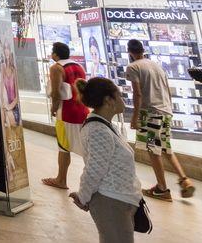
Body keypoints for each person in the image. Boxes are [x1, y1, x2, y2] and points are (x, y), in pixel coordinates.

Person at [69, 77, 142, 243]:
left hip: (119, 200)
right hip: (110, 202)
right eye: (119, 95)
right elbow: (94, 170)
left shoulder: (106, 126)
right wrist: (83, 196)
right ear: (108, 100)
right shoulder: (98, 130)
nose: (123, 100)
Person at [125, 39, 194, 200]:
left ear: (130, 52)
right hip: (165, 111)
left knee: (153, 149)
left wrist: (135, 117)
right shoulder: (156, 66)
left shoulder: (133, 67)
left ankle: (162, 189)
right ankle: (185, 180)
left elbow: (138, 94)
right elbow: (166, 90)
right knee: (165, 148)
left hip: (150, 113)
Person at [42, 42, 88, 190]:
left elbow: (56, 91)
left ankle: (61, 179)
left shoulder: (56, 68)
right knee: (86, 148)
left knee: (63, 147)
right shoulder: (78, 66)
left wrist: (53, 108)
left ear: (56, 54)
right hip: (82, 110)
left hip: (66, 112)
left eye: (52, 52)